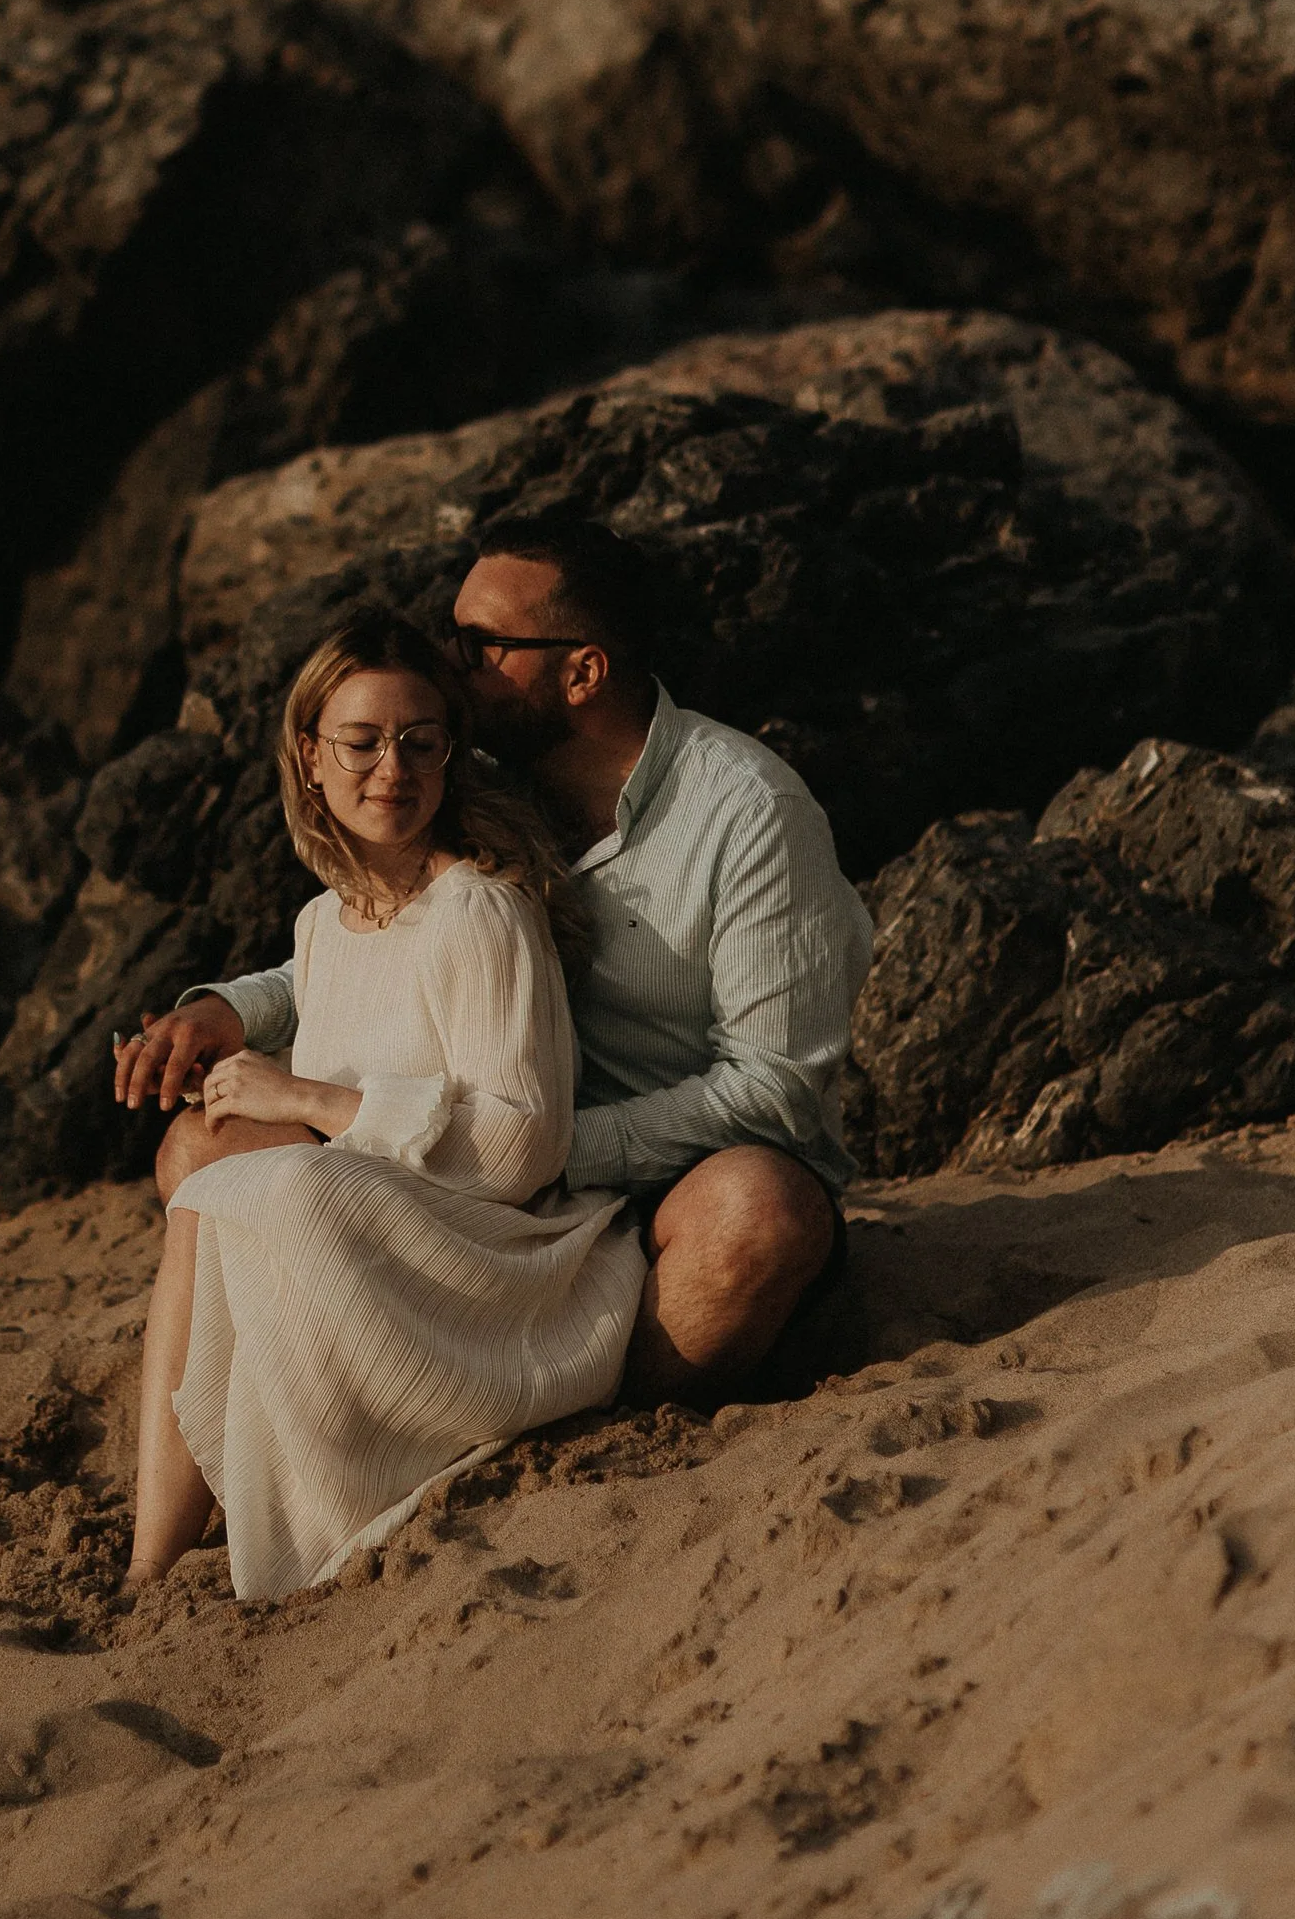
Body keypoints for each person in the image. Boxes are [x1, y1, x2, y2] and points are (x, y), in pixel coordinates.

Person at [129, 513, 871, 1405]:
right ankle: (405, 1403)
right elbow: (394, 937)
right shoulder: (474, 772)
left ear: (583, 671)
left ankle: (602, 1414)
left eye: (483, 646)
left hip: (651, 1180)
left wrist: (550, 1147)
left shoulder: (750, 815)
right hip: (488, 1164)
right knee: (205, 1148)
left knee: (760, 1217)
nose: (455, 670)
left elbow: (775, 1086)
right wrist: (234, 1010)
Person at [113, 604, 645, 1599]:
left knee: (273, 1191)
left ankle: (197, 1542)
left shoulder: (479, 909)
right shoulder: (323, 925)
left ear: (452, 758)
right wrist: (261, 1090)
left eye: (419, 743)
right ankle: (150, 1563)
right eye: (360, 743)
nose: (390, 771)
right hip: (392, 1237)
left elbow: (518, 1151)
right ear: (309, 756)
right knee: (205, 1161)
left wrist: (306, 1097)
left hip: (493, 1266)